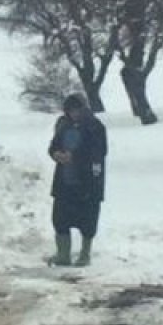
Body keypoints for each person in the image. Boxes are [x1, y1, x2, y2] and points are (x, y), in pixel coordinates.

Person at [47, 93, 107, 266]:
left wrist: (75, 157)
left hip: (87, 182)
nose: (74, 113)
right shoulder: (63, 125)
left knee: (87, 220)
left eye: (77, 109)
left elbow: (99, 151)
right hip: (65, 181)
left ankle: (85, 255)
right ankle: (63, 254)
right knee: (60, 219)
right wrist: (56, 154)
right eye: (70, 110)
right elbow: (54, 145)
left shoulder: (95, 126)